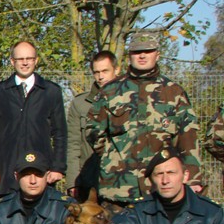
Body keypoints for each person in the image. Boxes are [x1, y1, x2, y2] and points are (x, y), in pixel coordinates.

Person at [86, 31, 202, 207]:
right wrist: (112, 157)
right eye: (136, 52)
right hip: (119, 189)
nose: (142, 56)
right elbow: (93, 128)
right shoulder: (110, 92)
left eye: (147, 51)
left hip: (161, 189)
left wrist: (192, 178)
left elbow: (188, 137)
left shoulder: (173, 92)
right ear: (129, 55)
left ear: (157, 54)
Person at [0, 40, 67, 196]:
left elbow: (60, 133)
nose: (25, 63)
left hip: (41, 171)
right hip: (7, 170)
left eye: (29, 58)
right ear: (12, 61)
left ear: (36, 60)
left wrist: (58, 167)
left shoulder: (51, 91)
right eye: (20, 59)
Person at [65, 51, 119, 201]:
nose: (101, 77)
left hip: (121, 181)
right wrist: (72, 181)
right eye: (96, 72)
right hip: (89, 181)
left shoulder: (131, 100)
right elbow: (73, 144)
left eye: (105, 71)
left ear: (117, 70)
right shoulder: (80, 104)